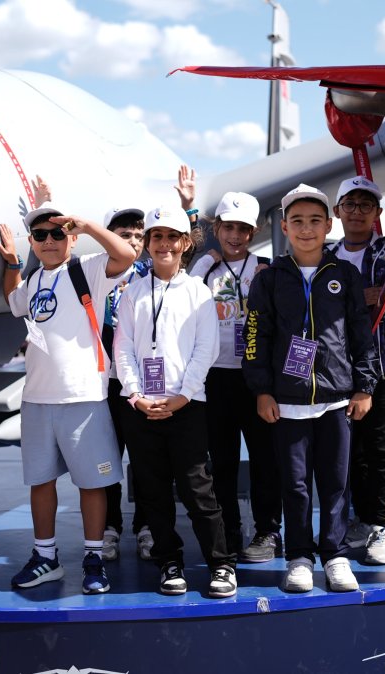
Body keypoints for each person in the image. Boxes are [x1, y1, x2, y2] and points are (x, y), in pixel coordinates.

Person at [0, 201, 136, 594]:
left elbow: (125, 255)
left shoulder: (87, 269)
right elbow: (13, 302)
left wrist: (89, 225)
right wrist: (11, 265)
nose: (50, 241)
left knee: (91, 484)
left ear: (71, 237)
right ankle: (46, 557)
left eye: (58, 233)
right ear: (32, 242)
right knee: (41, 482)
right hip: (38, 400)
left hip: (83, 397)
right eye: (40, 235)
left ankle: (93, 557)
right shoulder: (35, 279)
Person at [243, 184, 377, 593]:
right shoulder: (268, 280)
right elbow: (254, 337)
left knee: (336, 483)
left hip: (338, 399)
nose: (306, 229)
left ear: (328, 224)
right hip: (288, 402)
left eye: (315, 221)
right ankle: (299, 557)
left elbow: (360, 333)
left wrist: (364, 386)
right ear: (284, 227)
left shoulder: (344, 276)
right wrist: (262, 390)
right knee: (296, 485)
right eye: (297, 221)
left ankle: (334, 555)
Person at [113, 206, 237, 598]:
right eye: (156, 237)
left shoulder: (199, 292)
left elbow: (206, 349)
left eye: (172, 237)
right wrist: (135, 395)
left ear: (186, 243)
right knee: (152, 490)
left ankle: (221, 564)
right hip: (142, 408)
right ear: (147, 243)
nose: (163, 244)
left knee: (197, 488)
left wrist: (182, 397)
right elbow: (124, 349)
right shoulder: (132, 293)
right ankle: (169, 561)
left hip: (187, 406)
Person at [188, 188, 283, 563]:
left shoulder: (265, 267)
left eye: (243, 229)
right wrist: (200, 263)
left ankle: (267, 532)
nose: (235, 236)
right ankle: (228, 531)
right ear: (217, 227)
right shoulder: (205, 268)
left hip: (255, 378)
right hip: (215, 378)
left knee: (265, 458)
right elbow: (189, 301)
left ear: (255, 230)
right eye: (228, 227)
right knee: (221, 462)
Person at [326, 176, 385, 566]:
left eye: (365, 205)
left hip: (380, 366)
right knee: (342, 448)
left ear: (377, 213)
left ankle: (377, 524)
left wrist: (345, 298)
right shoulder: (325, 256)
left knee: (377, 445)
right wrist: (362, 296)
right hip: (333, 368)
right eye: (350, 204)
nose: (357, 212)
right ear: (338, 211)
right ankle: (347, 521)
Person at [98, 204, 154, 561]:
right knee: (105, 461)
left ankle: (146, 525)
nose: (133, 241)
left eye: (138, 235)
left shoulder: (152, 273)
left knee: (146, 459)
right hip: (103, 385)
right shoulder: (92, 274)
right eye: (124, 235)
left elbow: (187, 249)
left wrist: (190, 211)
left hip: (142, 384)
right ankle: (109, 527)